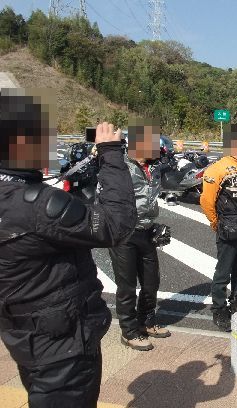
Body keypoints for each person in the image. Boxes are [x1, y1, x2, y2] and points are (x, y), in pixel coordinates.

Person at [0, 88, 137, 407]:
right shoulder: (38, 207)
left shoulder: (17, 199)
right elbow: (116, 225)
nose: (50, 144)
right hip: (63, 346)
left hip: (23, 334)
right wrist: (111, 153)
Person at [108, 118, 171, 351]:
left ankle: (147, 321)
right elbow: (105, 198)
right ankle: (129, 331)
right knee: (126, 285)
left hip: (146, 231)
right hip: (124, 233)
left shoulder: (152, 167)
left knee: (151, 281)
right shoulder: (120, 167)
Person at [200, 124, 237, 332]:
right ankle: (219, 309)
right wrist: (216, 222)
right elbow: (206, 201)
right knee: (223, 272)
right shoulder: (217, 168)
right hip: (228, 226)